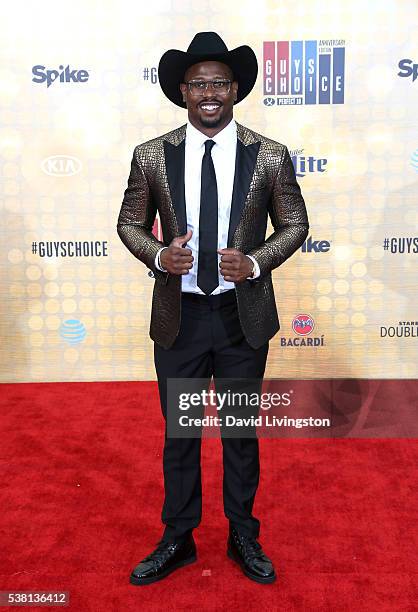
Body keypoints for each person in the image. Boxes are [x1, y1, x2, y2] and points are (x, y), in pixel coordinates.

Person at [117, 31, 309, 586]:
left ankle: (243, 533)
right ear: (182, 90)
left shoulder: (269, 154)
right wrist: (159, 255)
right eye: (197, 83)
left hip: (239, 320)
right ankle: (178, 536)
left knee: (239, 433)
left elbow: (295, 224)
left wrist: (253, 263)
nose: (208, 92)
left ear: (235, 89)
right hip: (180, 320)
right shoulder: (151, 155)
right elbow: (129, 222)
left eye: (219, 83)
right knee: (181, 433)